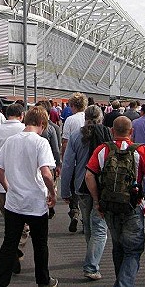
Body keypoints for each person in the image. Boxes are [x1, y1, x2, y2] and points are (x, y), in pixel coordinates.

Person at [85, 116, 145, 287]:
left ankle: (121, 279)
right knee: (133, 250)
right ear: (131, 132)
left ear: (111, 131)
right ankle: (123, 284)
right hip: (133, 206)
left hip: (109, 206)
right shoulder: (141, 151)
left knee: (118, 246)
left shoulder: (102, 150)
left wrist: (97, 201)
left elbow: (89, 176)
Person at [0, 106, 59, 287]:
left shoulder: (11, 141)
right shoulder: (40, 142)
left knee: (9, 244)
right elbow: (46, 173)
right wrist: (52, 193)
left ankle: (1, 282)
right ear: (42, 124)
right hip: (36, 203)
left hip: (14, 203)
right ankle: (43, 281)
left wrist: (9, 188)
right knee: (40, 245)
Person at [61, 105, 112, 281]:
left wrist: (65, 190)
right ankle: (91, 265)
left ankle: (91, 259)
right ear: (101, 118)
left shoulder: (76, 136)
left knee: (88, 226)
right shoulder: (108, 135)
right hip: (102, 186)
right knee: (99, 227)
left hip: (82, 186)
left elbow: (68, 164)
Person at [0, 103, 27, 275]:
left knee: (9, 222)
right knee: (23, 222)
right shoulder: (24, 130)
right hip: (21, 183)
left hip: (1, 182)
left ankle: (12, 251)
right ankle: (16, 250)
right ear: (21, 115)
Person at [60, 92, 88, 233]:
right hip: (88, 161)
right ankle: (85, 219)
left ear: (72, 105)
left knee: (74, 189)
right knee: (86, 190)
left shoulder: (70, 120)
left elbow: (65, 141)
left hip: (74, 158)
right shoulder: (89, 119)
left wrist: (64, 158)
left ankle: (74, 212)